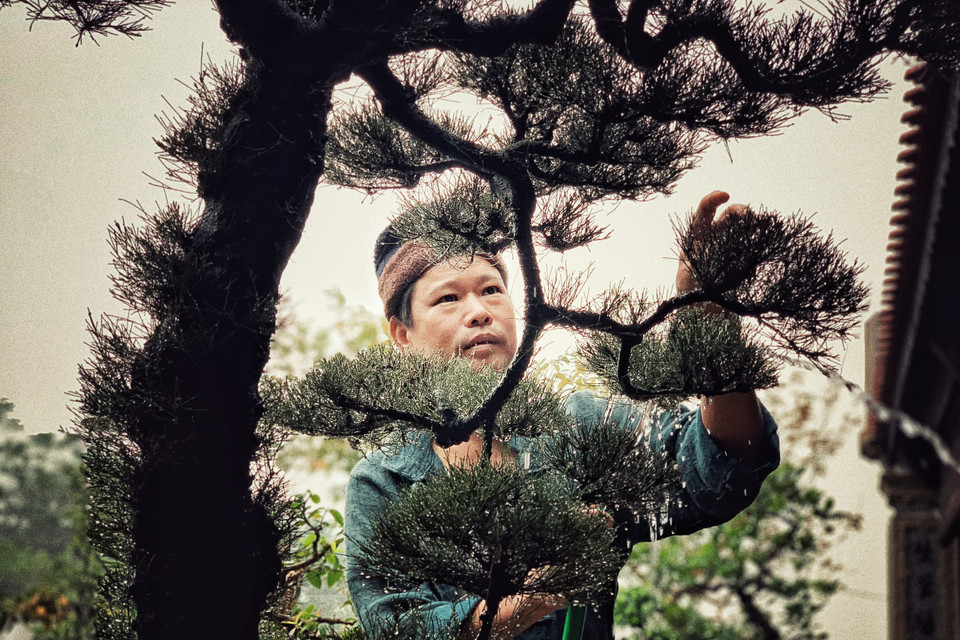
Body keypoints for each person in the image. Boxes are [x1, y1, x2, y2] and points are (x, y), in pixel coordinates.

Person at [344, 191, 780, 640]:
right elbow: (397, 627)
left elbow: (726, 463)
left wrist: (709, 320)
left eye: (492, 290)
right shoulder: (383, 483)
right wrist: (542, 591)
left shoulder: (580, 427)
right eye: (448, 299)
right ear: (402, 334)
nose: (479, 312)